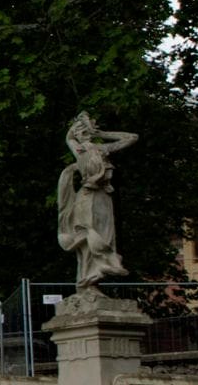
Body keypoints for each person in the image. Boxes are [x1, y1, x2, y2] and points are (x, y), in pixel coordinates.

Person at [56, 112, 138, 287]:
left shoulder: (101, 149)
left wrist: (101, 134)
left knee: (105, 233)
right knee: (87, 231)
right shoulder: (79, 150)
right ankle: (90, 274)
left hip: (103, 197)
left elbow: (132, 137)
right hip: (87, 196)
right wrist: (78, 124)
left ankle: (98, 269)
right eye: (79, 131)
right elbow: (69, 137)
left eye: (85, 130)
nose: (82, 132)